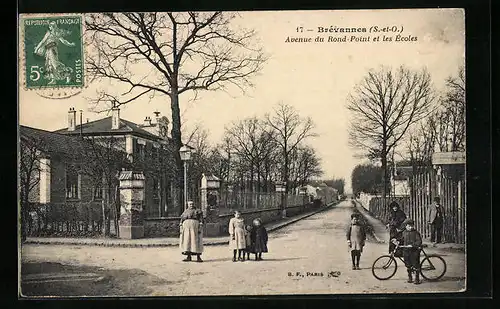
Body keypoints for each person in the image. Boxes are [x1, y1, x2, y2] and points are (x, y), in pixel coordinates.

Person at [394, 219, 423, 284]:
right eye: (409, 226)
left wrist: (413, 245)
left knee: (416, 264)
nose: (411, 227)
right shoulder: (404, 232)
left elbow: (419, 241)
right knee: (408, 264)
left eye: (412, 226)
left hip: (414, 251)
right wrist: (397, 240)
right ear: (406, 226)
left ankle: (417, 278)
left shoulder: (416, 233)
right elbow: (401, 239)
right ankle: (410, 277)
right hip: (406, 251)